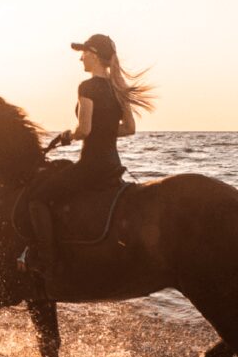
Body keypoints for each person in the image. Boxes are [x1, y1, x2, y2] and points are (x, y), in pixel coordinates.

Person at [27, 34, 155, 279]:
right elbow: (129, 128)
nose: (81, 59)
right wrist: (104, 130)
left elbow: (84, 129)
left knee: (37, 198)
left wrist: (69, 135)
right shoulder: (119, 88)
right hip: (113, 165)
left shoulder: (87, 87)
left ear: (94, 55)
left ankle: (47, 260)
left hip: (92, 167)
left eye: (84, 53)